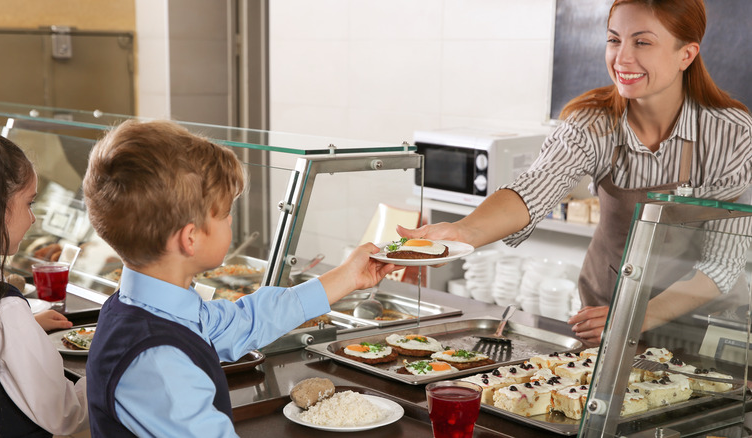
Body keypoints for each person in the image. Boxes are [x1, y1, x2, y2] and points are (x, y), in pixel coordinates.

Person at [399, 0, 752, 345]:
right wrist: (462, 232)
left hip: (700, 328)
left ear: (686, 55)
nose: (622, 58)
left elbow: (721, 265)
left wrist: (632, 317)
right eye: (614, 40)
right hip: (607, 314)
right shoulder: (593, 122)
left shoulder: (732, 133)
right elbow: (533, 189)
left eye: (642, 42)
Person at [82, 119, 397, 437]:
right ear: (190, 239)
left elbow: (247, 320)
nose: (231, 219)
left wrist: (348, 276)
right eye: (224, 213)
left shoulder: (145, 307)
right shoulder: (159, 364)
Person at [0, 124, 89, 437]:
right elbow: (67, 416)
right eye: (29, 203)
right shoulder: (5, 312)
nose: (33, 218)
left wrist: (24, 325)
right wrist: (107, 362)